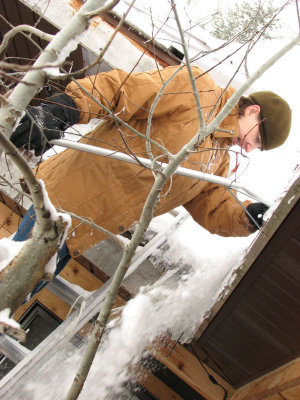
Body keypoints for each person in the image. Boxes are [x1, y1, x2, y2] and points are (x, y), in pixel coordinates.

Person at [11, 65, 291, 285]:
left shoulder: (217, 159)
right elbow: (124, 90)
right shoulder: (198, 90)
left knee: (13, 300)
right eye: (256, 139)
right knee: (8, 290)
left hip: (83, 230)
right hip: (65, 202)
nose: (250, 148)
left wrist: (247, 217)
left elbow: (214, 205)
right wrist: (63, 109)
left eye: (258, 148)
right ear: (253, 111)